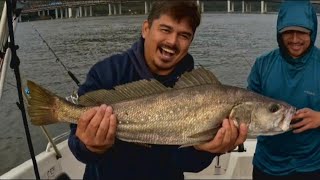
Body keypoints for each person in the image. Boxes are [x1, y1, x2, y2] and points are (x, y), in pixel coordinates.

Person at [68, 1, 248, 180]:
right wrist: (90, 147)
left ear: (191, 41)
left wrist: (204, 150)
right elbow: (77, 146)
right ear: (146, 29)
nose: (172, 41)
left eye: (184, 35)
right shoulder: (107, 72)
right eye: (165, 29)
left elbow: (185, 163)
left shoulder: (199, 89)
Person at [247, 1, 320, 179]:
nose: (295, 40)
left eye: (302, 32)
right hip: (267, 164)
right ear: (280, 32)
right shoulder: (263, 64)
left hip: (311, 165)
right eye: (288, 32)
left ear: (312, 32)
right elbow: (246, 106)